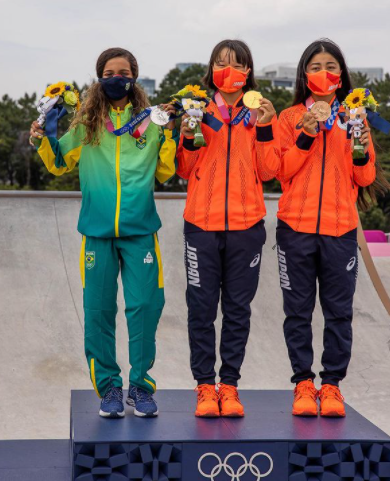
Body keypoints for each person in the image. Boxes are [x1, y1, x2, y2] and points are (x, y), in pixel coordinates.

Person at [30, 47, 178, 418]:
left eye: (123, 72)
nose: (116, 78)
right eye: (109, 72)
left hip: (140, 230)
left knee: (145, 308)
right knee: (98, 311)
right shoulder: (86, 123)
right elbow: (61, 163)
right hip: (96, 231)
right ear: (100, 78)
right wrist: (44, 135)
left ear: (134, 77)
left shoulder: (150, 122)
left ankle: (141, 387)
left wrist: (171, 135)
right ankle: (109, 387)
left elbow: (164, 173)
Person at [276, 38, 390, 417]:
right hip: (296, 227)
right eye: (314, 67)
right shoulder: (290, 117)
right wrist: (307, 133)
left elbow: (365, 174)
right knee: (298, 311)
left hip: (340, 228)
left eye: (330, 66)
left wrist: (359, 140)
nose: (323, 73)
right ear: (303, 75)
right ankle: (303, 384)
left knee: (339, 312)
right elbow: (282, 171)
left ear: (341, 75)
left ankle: (332, 386)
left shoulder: (354, 117)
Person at [176, 39, 280, 417]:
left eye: (236, 64)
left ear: (248, 72)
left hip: (246, 226)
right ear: (212, 69)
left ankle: (230, 386)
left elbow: (270, 171)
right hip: (201, 226)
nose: (228, 70)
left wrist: (267, 128)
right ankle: (205, 386)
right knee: (201, 309)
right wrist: (188, 134)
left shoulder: (260, 113)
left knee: (238, 310)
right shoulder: (198, 109)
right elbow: (184, 170)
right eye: (221, 63)